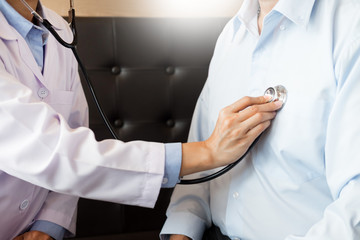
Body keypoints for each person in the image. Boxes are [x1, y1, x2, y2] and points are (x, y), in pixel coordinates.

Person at [0, 0, 283, 239]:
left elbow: (73, 129)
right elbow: (55, 150)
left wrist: (50, 224)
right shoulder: (232, 38)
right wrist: (208, 152)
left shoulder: (58, 29)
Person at [161, 0, 360, 239]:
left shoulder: (350, 26)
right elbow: (200, 167)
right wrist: (181, 233)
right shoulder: (230, 36)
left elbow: (355, 201)